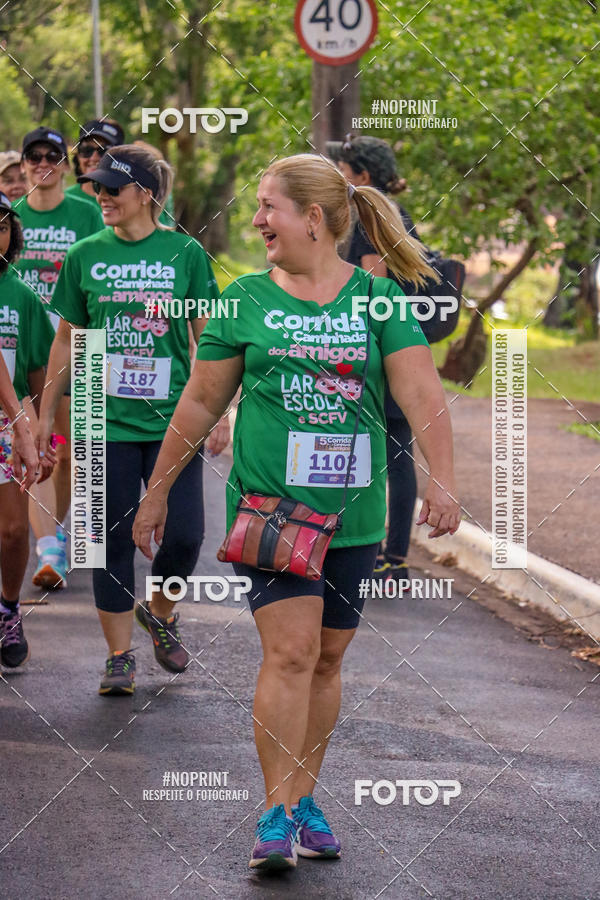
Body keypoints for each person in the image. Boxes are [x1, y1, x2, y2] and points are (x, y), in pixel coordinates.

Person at [131, 154, 461, 872]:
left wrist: (443, 481)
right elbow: (200, 400)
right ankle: (276, 812)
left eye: (268, 206)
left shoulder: (378, 301)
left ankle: (306, 798)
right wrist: (156, 490)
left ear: (313, 219)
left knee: (328, 658)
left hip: (354, 514)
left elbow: (421, 395)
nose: (256, 219)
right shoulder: (243, 300)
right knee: (290, 653)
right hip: (271, 511)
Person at [38, 143, 229, 696]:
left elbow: (209, 340)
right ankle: (119, 656)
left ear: (145, 194)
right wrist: (47, 414)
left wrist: (223, 411)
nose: (101, 196)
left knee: (186, 536)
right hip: (101, 418)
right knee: (107, 542)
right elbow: (67, 339)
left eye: (112, 188)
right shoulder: (85, 255)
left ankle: (160, 612)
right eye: (96, 187)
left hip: (173, 420)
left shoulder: (185, 254)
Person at [327, 134, 434, 585]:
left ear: (363, 176)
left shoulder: (370, 216)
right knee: (398, 454)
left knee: (384, 454)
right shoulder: (396, 214)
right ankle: (396, 556)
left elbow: (373, 287)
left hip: (379, 351)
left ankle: (382, 554)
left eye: (344, 169)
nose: (339, 175)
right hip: (400, 346)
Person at [16, 125, 105, 589]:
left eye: (52, 155)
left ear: (64, 166)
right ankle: (48, 548)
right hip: (24, 343)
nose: (43, 163)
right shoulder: (11, 215)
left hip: (78, 341)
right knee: (36, 439)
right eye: (34, 156)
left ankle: (61, 533)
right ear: (24, 164)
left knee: (68, 449)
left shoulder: (87, 214)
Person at [0, 191, 56, 669]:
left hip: (8, 420)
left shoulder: (20, 292)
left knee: (15, 529)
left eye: (3, 226)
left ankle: (9, 609)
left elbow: (38, 369)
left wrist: (41, 433)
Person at [67, 118, 125, 207]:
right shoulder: (64, 201)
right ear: (78, 156)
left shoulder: (131, 202)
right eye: (87, 150)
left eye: (104, 151)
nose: (94, 158)